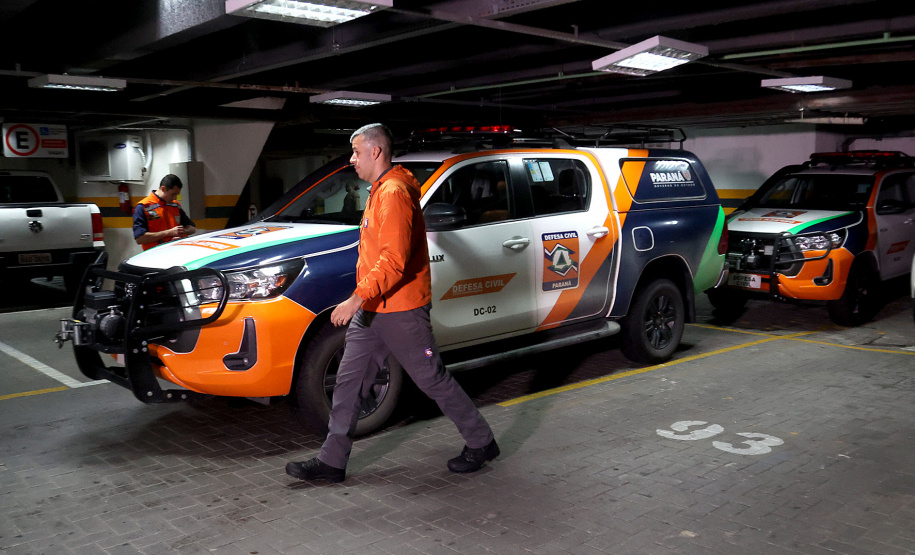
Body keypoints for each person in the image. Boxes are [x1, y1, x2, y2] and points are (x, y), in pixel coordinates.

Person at [285, 123, 499, 484]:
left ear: (375, 152)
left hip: (400, 310)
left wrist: (356, 299)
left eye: (355, 152)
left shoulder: (395, 193)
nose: (351, 159)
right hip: (374, 310)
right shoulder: (379, 191)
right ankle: (332, 462)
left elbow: (394, 260)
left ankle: (482, 441)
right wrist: (364, 302)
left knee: (433, 380)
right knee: (348, 383)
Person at [133, 174, 196, 250]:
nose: (175, 198)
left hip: (177, 252)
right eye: (173, 194)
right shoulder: (143, 207)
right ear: (163, 189)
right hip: (155, 255)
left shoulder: (175, 205)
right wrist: (169, 233)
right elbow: (140, 239)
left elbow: (192, 228)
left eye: (177, 194)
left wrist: (181, 232)